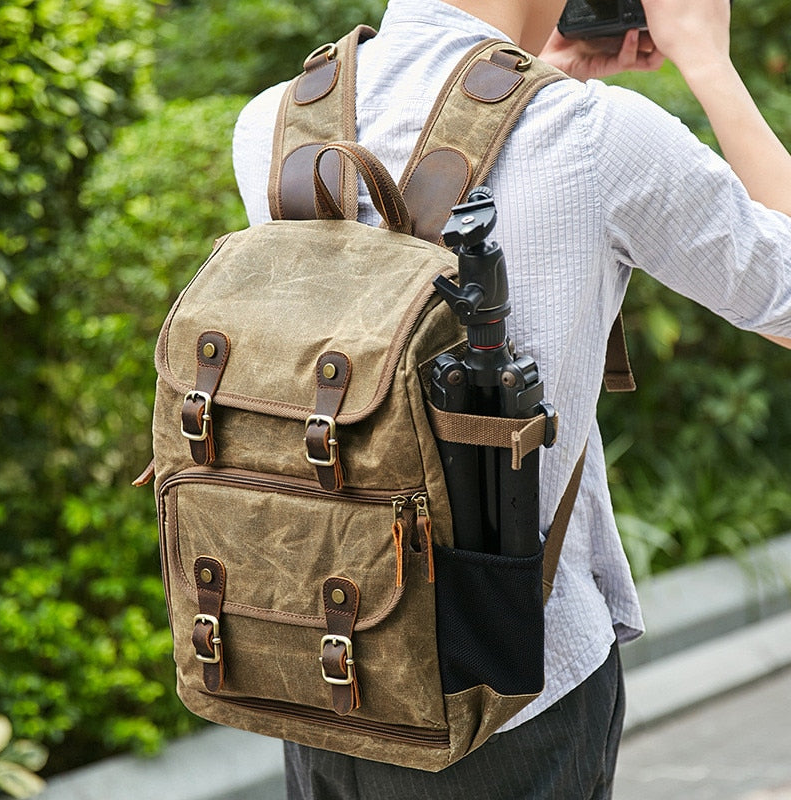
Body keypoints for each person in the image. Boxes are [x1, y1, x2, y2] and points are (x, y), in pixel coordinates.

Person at [232, 0, 791, 796]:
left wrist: (530, 62)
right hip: (506, 698)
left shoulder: (276, 121)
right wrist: (707, 59)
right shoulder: (594, 135)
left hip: (323, 669)